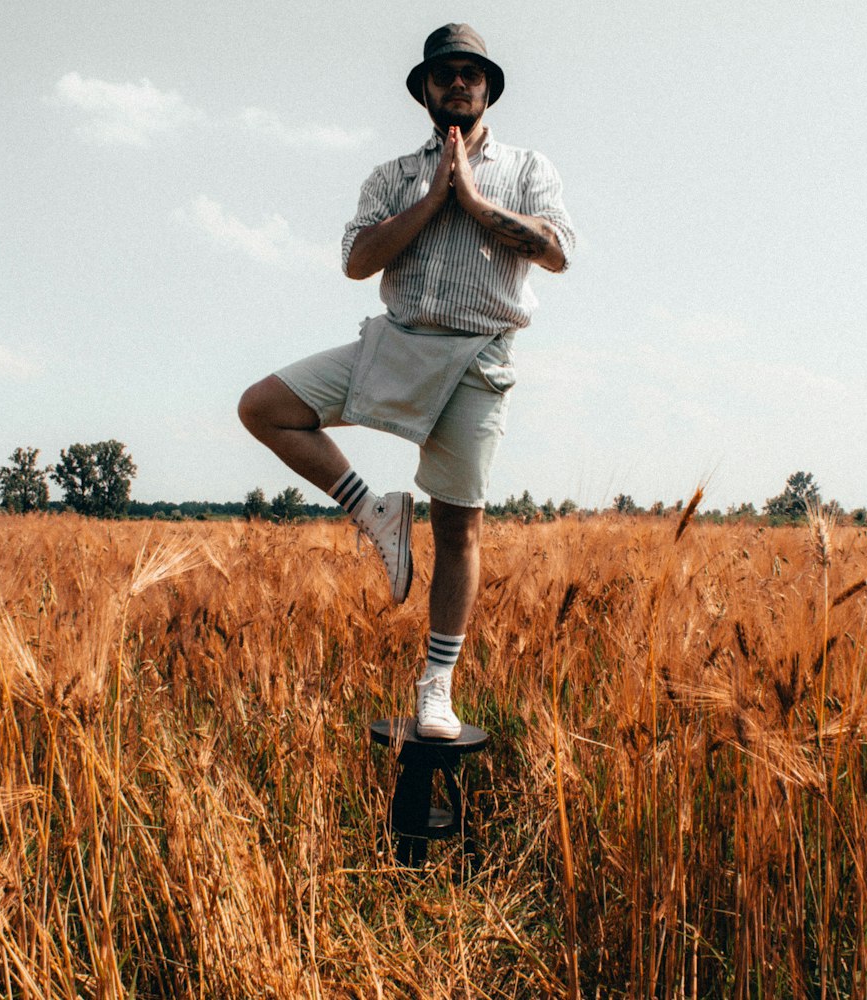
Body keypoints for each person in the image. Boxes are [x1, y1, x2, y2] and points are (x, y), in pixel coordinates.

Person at [238, 24, 574, 739]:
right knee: (264, 407)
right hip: (396, 339)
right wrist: (433, 199)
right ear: (424, 90)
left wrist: (478, 205)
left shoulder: (527, 169)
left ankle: (437, 687)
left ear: (488, 88)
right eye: (443, 73)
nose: (457, 83)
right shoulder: (392, 175)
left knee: (459, 526)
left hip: (478, 353)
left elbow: (557, 253)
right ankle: (374, 512)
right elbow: (358, 263)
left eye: (470, 74)